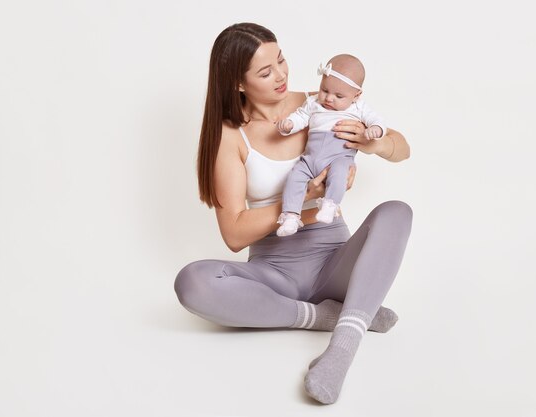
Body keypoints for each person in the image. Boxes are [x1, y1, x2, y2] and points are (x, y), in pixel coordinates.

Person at [174, 22, 413, 405]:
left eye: (281, 60)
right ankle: (330, 317)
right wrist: (304, 200)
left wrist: (373, 143)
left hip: (335, 264)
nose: (282, 75)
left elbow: (403, 149)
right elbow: (233, 234)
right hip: (275, 277)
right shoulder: (230, 137)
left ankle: (344, 345)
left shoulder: (322, 103)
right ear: (238, 82)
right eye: (265, 72)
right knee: (192, 281)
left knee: (397, 212)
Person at [275, 54, 386, 236]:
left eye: (339, 95)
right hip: (310, 159)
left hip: (339, 156)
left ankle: (329, 204)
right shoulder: (313, 103)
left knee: (340, 173)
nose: (329, 98)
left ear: (356, 95)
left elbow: (377, 120)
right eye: (324, 90)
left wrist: (375, 129)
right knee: (295, 177)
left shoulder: (358, 108)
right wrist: (289, 125)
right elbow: (301, 116)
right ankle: (290, 217)